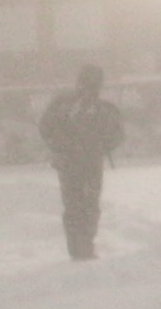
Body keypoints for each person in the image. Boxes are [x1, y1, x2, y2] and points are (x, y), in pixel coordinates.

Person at [39, 64, 125, 261]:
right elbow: (46, 128)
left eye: (94, 86)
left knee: (83, 206)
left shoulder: (92, 107)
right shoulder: (68, 106)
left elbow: (117, 133)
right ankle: (81, 249)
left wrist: (100, 145)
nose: (91, 90)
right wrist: (67, 145)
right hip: (76, 163)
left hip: (84, 163)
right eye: (89, 85)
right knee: (80, 206)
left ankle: (82, 248)